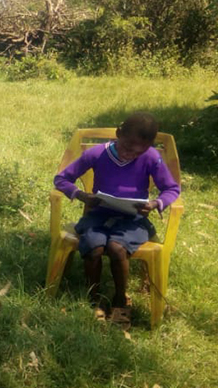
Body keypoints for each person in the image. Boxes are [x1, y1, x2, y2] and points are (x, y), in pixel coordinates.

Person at [54, 112, 180, 330]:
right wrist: (82, 196)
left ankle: (121, 300)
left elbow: (171, 188)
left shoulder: (150, 157)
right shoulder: (97, 153)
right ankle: (94, 297)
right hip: (98, 215)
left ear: (148, 145)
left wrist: (156, 203)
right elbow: (62, 179)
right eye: (126, 146)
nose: (129, 153)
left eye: (137, 150)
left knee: (116, 248)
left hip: (133, 219)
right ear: (118, 134)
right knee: (93, 247)